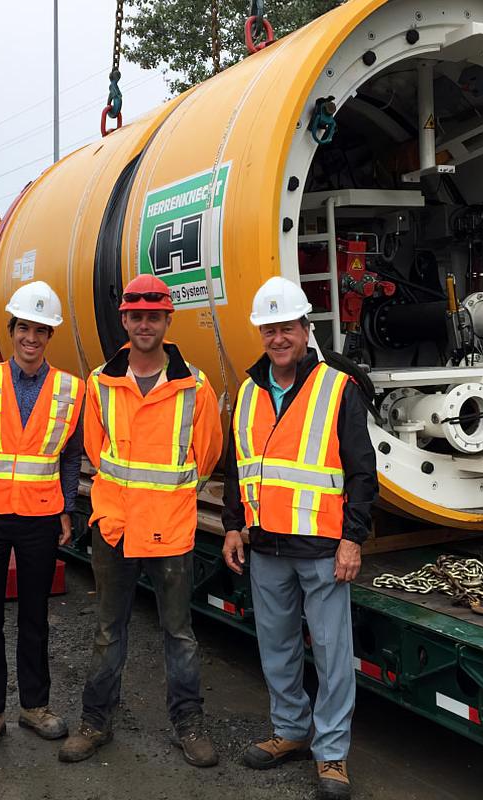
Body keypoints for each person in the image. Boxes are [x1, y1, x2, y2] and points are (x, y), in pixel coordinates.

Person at [221, 276, 378, 800]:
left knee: (333, 654)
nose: (277, 337)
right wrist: (231, 527)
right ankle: (289, 730)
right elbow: (236, 467)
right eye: (269, 329)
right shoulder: (248, 391)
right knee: (277, 648)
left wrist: (354, 538)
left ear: (306, 330)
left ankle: (331, 753)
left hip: (322, 548)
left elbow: (361, 472)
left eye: (286, 327)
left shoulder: (337, 387)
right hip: (266, 547)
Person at [58, 274, 223, 767]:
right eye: (137, 315)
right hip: (115, 525)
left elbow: (207, 453)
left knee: (179, 633)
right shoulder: (102, 383)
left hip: (169, 529)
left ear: (167, 321)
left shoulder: (195, 386)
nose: (145, 323)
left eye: (154, 315)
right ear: (125, 320)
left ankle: (188, 725)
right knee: (109, 630)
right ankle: (95, 723)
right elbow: (95, 447)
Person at [0, 281, 85, 754]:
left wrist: (67, 508)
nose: (32, 338)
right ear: (12, 331)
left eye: (41, 330)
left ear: (50, 336)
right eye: (25, 328)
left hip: (41, 516)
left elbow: (71, 456)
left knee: (36, 616)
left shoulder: (71, 388)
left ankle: (35, 707)